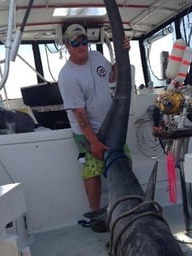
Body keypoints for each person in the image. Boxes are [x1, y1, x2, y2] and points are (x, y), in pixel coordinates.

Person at [58, 24, 131, 229]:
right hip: (86, 131)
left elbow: (112, 76)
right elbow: (80, 115)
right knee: (92, 170)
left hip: (110, 124)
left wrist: (122, 55)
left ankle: (124, 206)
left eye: (84, 41)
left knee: (124, 160)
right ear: (67, 45)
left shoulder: (97, 57)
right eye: (75, 43)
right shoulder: (67, 76)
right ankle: (95, 216)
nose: (81, 46)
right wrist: (94, 142)